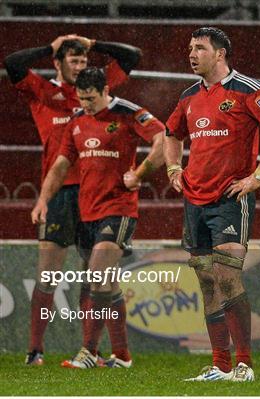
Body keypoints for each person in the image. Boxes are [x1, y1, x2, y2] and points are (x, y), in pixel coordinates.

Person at [164, 27, 260, 382]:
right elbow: (171, 133)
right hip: (194, 198)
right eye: (190, 48)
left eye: (200, 49)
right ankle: (220, 364)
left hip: (229, 197)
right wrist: (174, 167)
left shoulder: (247, 89)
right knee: (207, 281)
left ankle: (244, 364)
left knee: (226, 276)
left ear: (219, 54)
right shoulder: (189, 96)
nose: (191, 54)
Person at [4, 35, 141, 366]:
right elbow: (12, 64)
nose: (81, 68)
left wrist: (93, 43)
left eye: (83, 62)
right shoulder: (43, 91)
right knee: (48, 276)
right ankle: (35, 350)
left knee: (93, 276)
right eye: (74, 62)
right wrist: (50, 47)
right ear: (58, 64)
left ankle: (89, 351)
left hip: (99, 193)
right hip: (62, 193)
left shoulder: (95, 87)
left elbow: (132, 56)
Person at [31, 67, 165, 368]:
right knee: (107, 285)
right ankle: (123, 355)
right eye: (81, 99)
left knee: (96, 275)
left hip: (118, 208)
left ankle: (89, 351)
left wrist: (140, 172)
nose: (86, 105)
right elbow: (61, 165)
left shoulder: (128, 113)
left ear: (105, 90)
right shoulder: (77, 121)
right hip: (87, 212)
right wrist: (43, 200)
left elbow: (163, 139)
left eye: (91, 98)